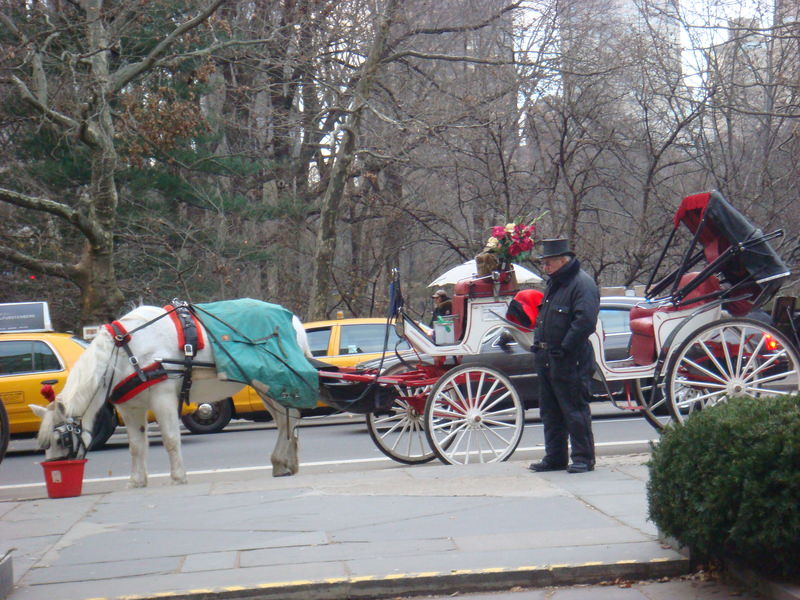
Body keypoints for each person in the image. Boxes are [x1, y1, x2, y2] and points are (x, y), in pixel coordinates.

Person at [529, 238, 600, 474]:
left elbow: (585, 321)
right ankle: (555, 456)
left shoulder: (582, 284)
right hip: (548, 356)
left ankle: (583, 458)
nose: (545, 268)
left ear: (562, 260)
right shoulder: (556, 283)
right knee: (550, 411)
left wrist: (566, 347)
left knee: (574, 408)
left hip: (571, 357)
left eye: (548, 263)